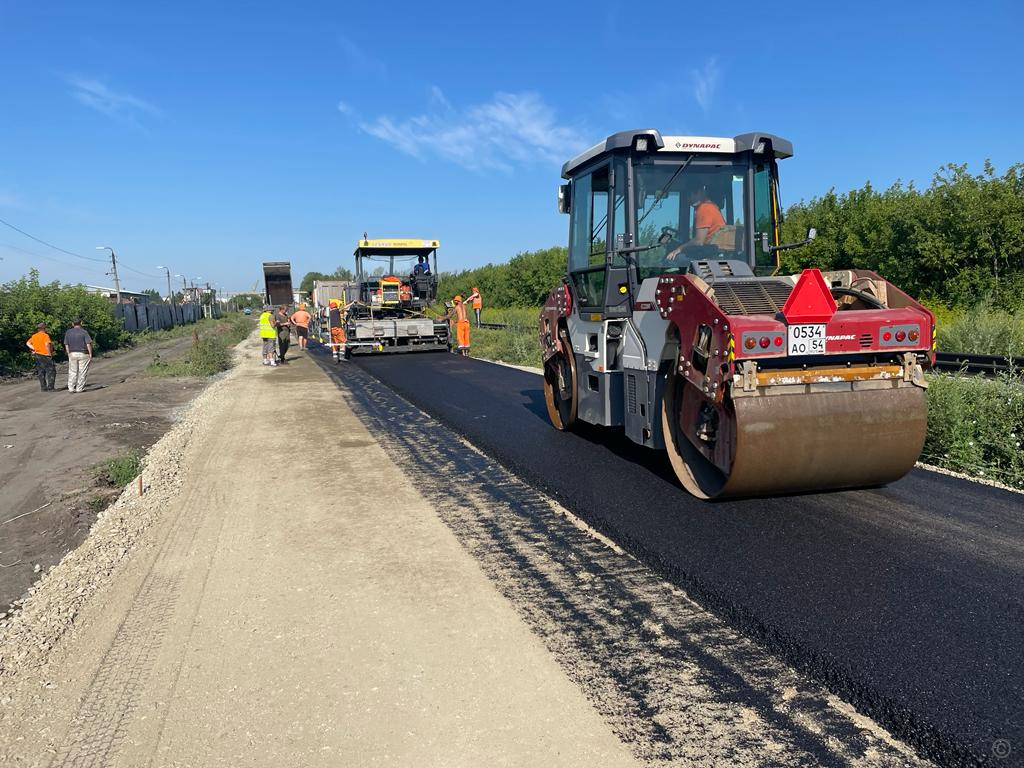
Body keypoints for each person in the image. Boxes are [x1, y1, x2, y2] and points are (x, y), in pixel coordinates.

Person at [666, 187, 726, 262]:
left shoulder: (704, 208)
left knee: (673, 259)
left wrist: (679, 249)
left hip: (709, 253)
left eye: (691, 195)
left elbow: (699, 241)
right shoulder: (712, 207)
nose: (689, 199)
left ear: (701, 192)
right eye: (687, 196)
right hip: (712, 251)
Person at [63, 318, 93, 393]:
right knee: (82, 372)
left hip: (72, 353)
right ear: (81, 323)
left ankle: (71, 388)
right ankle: (79, 388)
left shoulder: (68, 332)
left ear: (73, 324)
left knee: (72, 371)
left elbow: (66, 344)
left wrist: (68, 353)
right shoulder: (84, 332)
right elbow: (88, 344)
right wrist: (90, 354)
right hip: (83, 353)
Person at [26, 322, 56, 391]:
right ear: (44, 328)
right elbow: (47, 345)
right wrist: (49, 354)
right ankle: (51, 387)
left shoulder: (34, 336)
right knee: (51, 370)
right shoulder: (45, 336)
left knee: (41, 371)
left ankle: (43, 387)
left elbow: (28, 343)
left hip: (37, 355)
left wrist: (34, 348)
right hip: (45, 354)